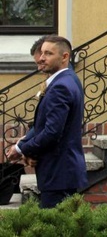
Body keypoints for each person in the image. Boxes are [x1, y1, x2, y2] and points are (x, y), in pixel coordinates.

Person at [5, 36, 87, 208]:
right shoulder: (69, 79)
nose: (41, 58)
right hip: (62, 173)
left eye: (48, 53)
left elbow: (52, 133)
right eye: (42, 53)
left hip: (59, 174)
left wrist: (21, 149)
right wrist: (26, 143)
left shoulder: (60, 87)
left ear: (64, 57)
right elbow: (45, 126)